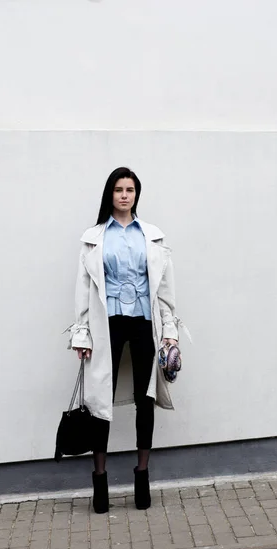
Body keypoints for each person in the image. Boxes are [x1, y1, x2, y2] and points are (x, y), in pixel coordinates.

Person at [66, 166, 182, 514]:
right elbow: (84, 291)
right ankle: (99, 481)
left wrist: (170, 333)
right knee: (100, 400)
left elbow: (164, 290)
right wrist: (82, 334)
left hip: (144, 322)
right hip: (109, 321)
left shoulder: (152, 236)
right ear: (110, 194)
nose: (124, 195)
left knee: (144, 398)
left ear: (136, 194)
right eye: (118, 189)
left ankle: (142, 476)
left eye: (130, 189)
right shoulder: (95, 237)